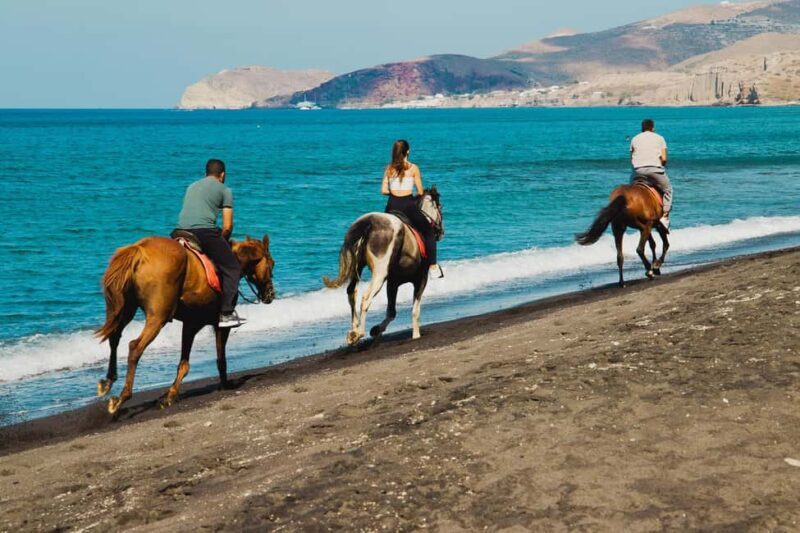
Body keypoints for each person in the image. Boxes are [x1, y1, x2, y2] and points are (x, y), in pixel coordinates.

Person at [176, 159, 245, 328]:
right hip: (204, 233)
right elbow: (228, 226)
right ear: (222, 175)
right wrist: (223, 241)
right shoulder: (225, 190)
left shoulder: (191, 186)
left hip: (180, 231)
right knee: (233, 269)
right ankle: (226, 313)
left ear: (205, 173)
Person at [381, 140, 443, 278]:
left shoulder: (389, 168)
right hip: (407, 206)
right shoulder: (413, 168)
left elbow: (384, 190)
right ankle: (433, 266)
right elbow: (420, 191)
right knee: (428, 232)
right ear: (407, 151)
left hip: (391, 206)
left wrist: (394, 192)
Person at [630, 118, 673, 229]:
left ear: (642, 128)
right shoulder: (660, 138)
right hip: (654, 170)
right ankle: (665, 216)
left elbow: (631, 158)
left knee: (631, 191)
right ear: (653, 128)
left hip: (637, 170)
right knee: (668, 190)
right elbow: (664, 158)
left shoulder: (634, 139)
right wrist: (662, 163)